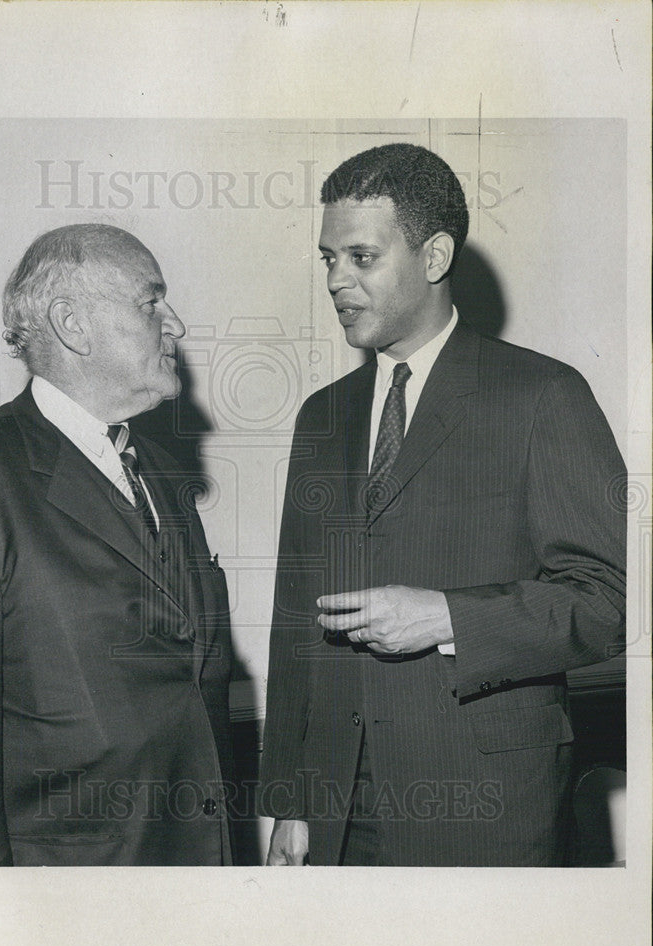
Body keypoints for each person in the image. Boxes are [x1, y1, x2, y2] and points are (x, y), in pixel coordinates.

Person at [260, 143, 626, 866]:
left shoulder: (542, 397)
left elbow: (613, 600)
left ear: (433, 256)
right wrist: (289, 806)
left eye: (360, 257)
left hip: (487, 807)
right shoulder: (320, 417)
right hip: (337, 815)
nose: (336, 280)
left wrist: (448, 618)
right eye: (327, 259)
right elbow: (294, 623)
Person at [0, 223, 236, 866]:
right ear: (72, 324)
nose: (175, 324)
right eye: (150, 302)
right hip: (61, 905)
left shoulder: (157, 471)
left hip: (190, 871)